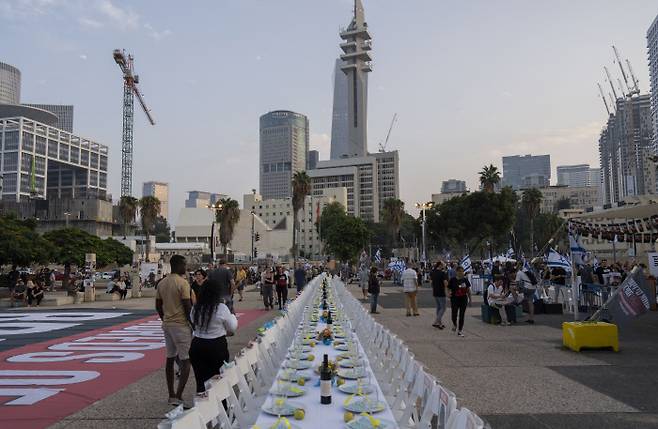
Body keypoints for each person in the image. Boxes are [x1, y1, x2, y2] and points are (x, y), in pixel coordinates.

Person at [155, 255, 193, 407]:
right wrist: (193, 324)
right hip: (181, 325)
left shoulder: (162, 283)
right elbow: (187, 306)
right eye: (184, 264)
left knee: (170, 358)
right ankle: (179, 395)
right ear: (178, 265)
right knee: (186, 360)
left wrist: (164, 318)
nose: (186, 267)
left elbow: (158, 305)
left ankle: (171, 394)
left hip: (168, 325)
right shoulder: (182, 283)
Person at [189, 278, 238, 393]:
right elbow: (232, 327)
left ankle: (202, 405)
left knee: (200, 380)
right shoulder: (221, 308)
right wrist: (233, 317)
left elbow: (193, 322)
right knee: (219, 381)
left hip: (197, 345)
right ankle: (221, 407)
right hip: (216, 346)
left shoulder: (196, 308)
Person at [448, 266, 471, 337]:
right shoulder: (452, 280)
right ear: (457, 272)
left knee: (462, 315)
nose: (461, 273)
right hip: (454, 299)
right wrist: (448, 293)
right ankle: (454, 324)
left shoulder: (465, 280)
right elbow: (448, 288)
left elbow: (468, 290)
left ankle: (460, 330)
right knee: (454, 314)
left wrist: (470, 299)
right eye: (460, 271)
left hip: (463, 299)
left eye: (462, 271)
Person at [430, 261, 448, 329]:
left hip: (435, 292)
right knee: (443, 308)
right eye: (443, 264)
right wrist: (447, 290)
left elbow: (431, 282)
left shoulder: (433, 273)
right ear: (440, 265)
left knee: (438, 307)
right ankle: (436, 321)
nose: (444, 265)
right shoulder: (443, 273)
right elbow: (445, 283)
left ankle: (440, 323)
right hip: (441, 292)